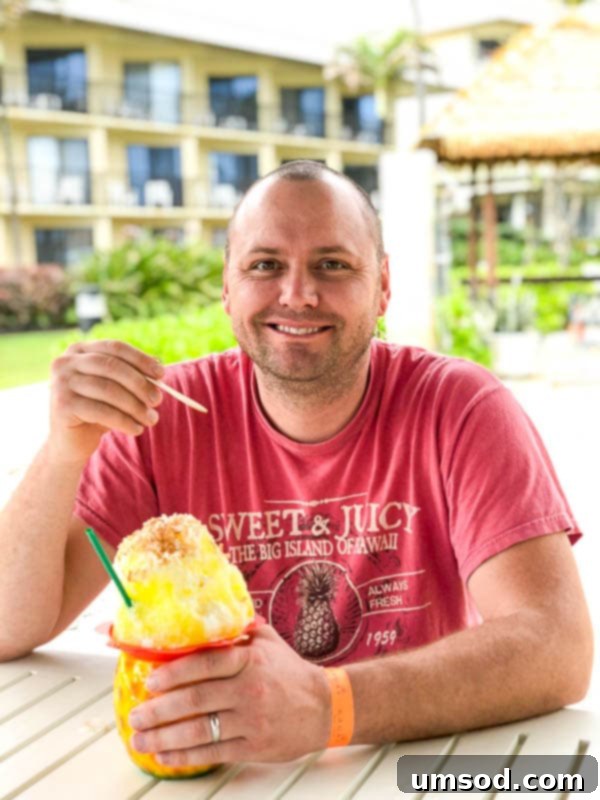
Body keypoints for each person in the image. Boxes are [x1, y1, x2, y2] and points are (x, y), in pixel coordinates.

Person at [0, 161, 592, 769]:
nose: (298, 294)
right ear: (227, 286)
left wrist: (328, 706)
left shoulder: (460, 408)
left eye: (333, 264)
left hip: (415, 763)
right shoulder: (159, 419)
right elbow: (8, 626)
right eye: (265, 265)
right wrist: (63, 449)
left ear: (383, 285)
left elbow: (557, 646)